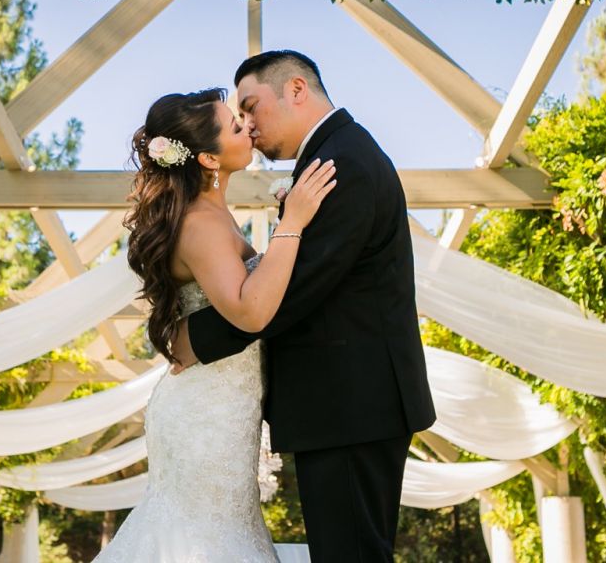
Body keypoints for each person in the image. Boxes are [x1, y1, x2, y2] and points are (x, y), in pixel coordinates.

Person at [172, 51, 435, 562]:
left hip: (351, 406)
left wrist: (191, 339)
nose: (248, 125)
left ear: (296, 89)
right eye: (238, 117)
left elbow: (291, 293)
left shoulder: (342, 163)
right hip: (348, 406)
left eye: (251, 107)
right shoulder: (336, 155)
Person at [94, 86, 336, 561]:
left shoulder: (211, 212)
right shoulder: (201, 222)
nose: (247, 125)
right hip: (205, 413)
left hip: (225, 405)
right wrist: (295, 222)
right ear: (207, 159)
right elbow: (249, 310)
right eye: (233, 123)